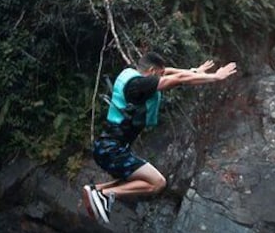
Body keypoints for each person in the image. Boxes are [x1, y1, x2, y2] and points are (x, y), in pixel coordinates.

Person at [83, 52, 238, 223]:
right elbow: (179, 78)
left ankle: (96, 190)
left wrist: (194, 70)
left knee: (133, 179)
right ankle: (104, 194)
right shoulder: (140, 85)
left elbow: (170, 71)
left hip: (106, 148)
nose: (162, 77)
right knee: (157, 183)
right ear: (151, 71)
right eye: (160, 74)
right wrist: (215, 77)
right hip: (112, 152)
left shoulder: (131, 74)